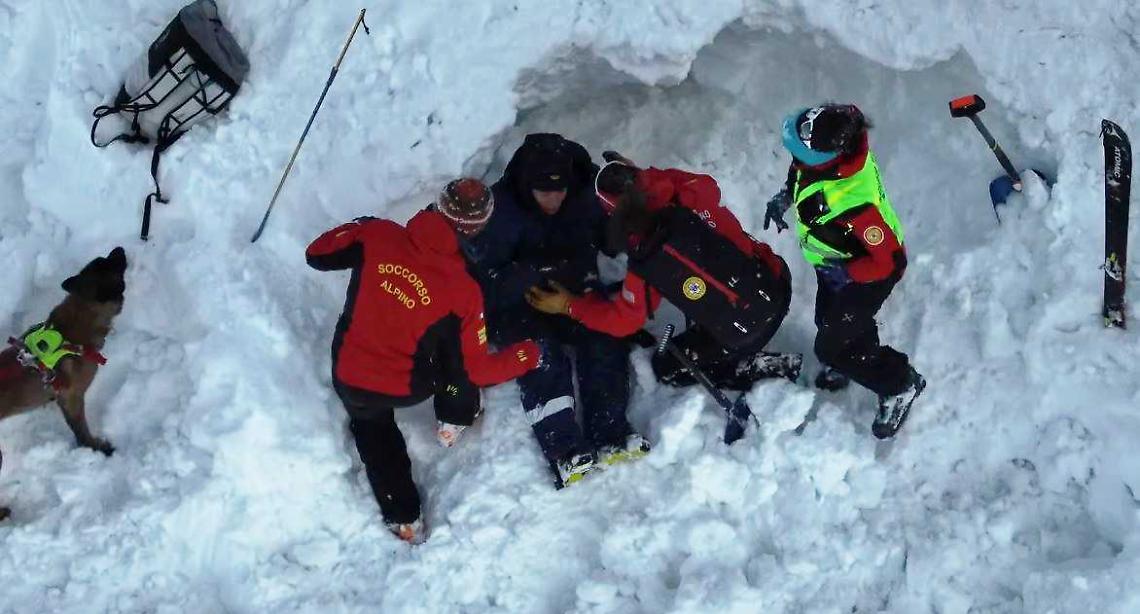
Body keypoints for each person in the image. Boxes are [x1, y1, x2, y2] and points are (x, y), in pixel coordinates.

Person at [306, 178, 543, 543]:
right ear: (480, 227)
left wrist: (359, 227)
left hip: (351, 374)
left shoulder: (378, 236)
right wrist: (528, 354)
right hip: (409, 386)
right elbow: (479, 369)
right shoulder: (463, 292)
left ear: (438, 205)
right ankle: (455, 416)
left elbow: (317, 254)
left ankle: (403, 517)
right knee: (458, 361)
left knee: (373, 433)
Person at [526, 153, 797, 404]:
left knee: (666, 367)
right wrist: (645, 178)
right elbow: (707, 184)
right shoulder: (691, 195)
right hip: (777, 283)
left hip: (745, 334)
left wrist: (568, 305)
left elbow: (624, 321)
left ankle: (756, 368)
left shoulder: (645, 259)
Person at [462, 133, 644, 488]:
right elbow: (486, 282)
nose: (554, 198)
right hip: (519, 304)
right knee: (542, 355)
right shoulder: (501, 210)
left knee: (605, 333)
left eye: (559, 190)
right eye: (544, 191)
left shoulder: (585, 195)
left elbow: (611, 239)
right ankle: (565, 450)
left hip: (573, 291)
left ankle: (611, 432)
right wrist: (535, 271)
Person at [763, 103, 925, 439]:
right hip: (834, 264)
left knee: (830, 347)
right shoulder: (826, 158)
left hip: (867, 275)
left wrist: (849, 274)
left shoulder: (855, 204)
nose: (794, 158)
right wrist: (784, 197)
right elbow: (800, 171)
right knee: (830, 320)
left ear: (826, 157)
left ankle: (898, 383)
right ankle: (853, 352)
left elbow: (890, 262)